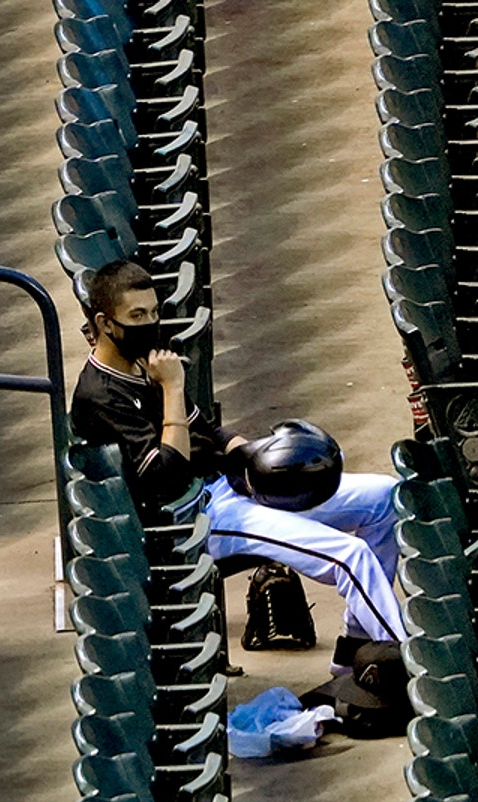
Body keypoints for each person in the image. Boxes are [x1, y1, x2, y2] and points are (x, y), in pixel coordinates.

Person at [68, 259, 408, 664]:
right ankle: (404, 662)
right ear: (105, 324)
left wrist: (250, 454)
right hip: (192, 519)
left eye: (155, 312)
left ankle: (356, 648)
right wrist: (173, 387)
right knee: (349, 556)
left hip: (228, 488)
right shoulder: (100, 397)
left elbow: (207, 432)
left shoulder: (146, 362)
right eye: (137, 315)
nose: (150, 323)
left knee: (386, 498)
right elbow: (168, 478)